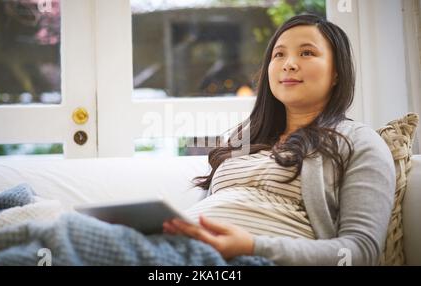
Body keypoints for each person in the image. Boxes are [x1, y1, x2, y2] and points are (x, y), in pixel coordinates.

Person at [163, 14, 396, 266]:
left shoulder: (359, 141)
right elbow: (210, 211)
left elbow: (360, 252)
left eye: (307, 53)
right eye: (279, 54)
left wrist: (254, 246)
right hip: (183, 253)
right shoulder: (243, 139)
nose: (289, 64)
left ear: (337, 73)